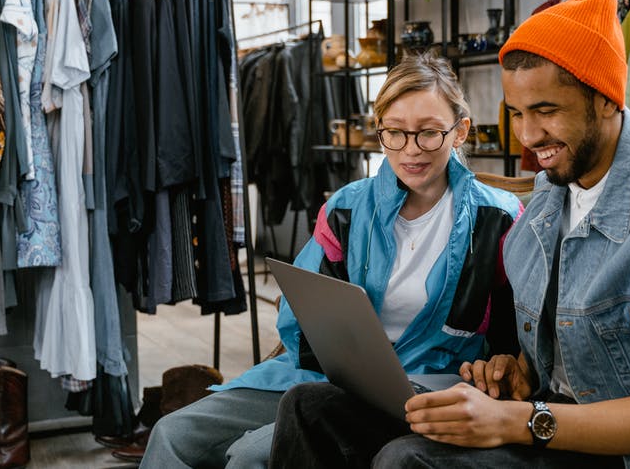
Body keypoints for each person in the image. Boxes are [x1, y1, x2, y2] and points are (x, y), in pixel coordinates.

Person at [269, 0, 630, 468]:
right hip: (546, 420)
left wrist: (514, 421)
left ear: (607, 98)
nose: (529, 137)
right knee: (309, 409)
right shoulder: (553, 189)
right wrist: (514, 374)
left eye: (547, 111)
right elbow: (555, 356)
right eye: (516, 114)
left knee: (408, 459)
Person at [140, 53, 523, 468]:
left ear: (460, 130)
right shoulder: (347, 209)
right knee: (173, 434)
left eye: (429, 133)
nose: (411, 150)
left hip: (426, 392)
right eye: (394, 133)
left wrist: (500, 364)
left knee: (249, 456)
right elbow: (303, 314)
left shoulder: (497, 219)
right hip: (321, 379)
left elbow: (514, 336)